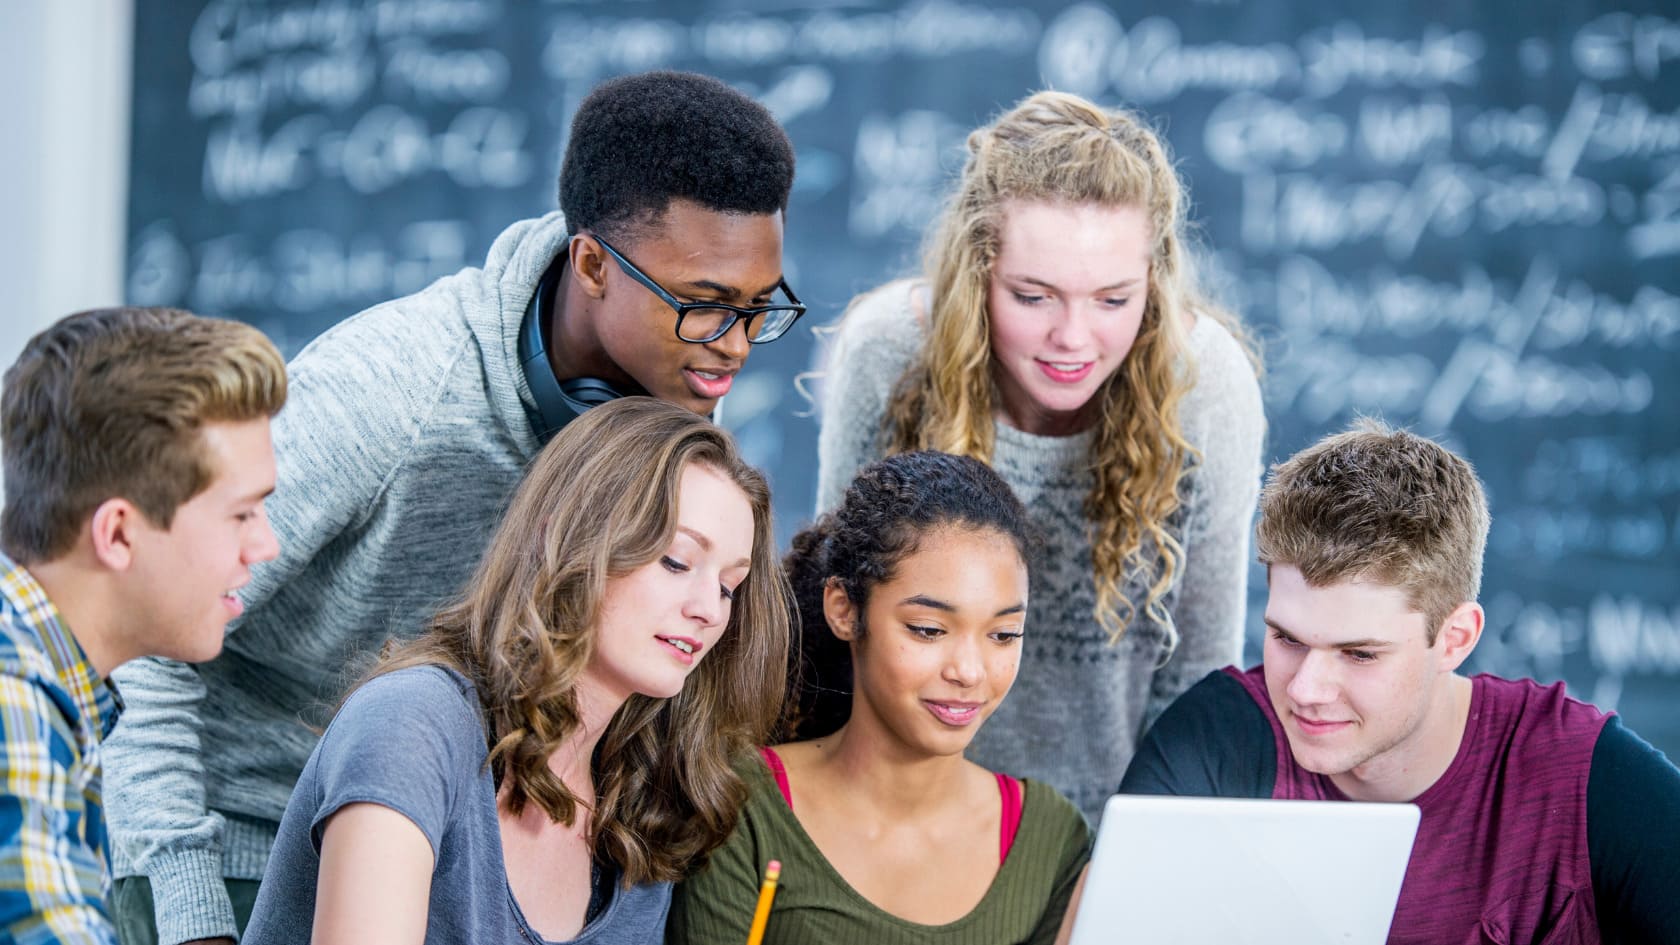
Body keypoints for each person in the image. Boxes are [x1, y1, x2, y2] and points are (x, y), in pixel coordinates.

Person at [104, 70, 802, 945]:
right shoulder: (395, 389)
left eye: (755, 308)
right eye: (703, 307)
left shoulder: (678, 387)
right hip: (242, 844)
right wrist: (189, 911)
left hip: (469, 845)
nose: (734, 347)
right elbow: (141, 639)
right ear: (591, 263)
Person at [816, 90, 1264, 821]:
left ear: (1153, 283)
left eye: (1113, 300)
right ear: (978, 275)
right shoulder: (888, 351)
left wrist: (1133, 860)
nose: (1073, 339)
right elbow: (833, 631)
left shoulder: (1204, 384)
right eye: (1034, 296)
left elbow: (1194, 685)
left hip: (1113, 832)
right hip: (898, 822)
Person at [241, 397, 791, 945]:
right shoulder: (412, 723)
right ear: (563, 537)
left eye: (728, 587)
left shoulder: (642, 804)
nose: (710, 609)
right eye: (676, 561)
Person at [1119, 421, 1680, 943]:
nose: (1304, 689)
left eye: (1359, 654)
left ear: (1455, 638)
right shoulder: (1217, 737)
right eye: (1287, 639)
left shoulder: (1578, 774)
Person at [668, 451, 1090, 945]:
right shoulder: (739, 803)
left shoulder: (1048, 838)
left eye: (1004, 635)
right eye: (929, 630)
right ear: (845, 611)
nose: (969, 671)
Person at [1, 307, 285, 945]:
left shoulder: (57, 689)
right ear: (118, 533)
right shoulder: (15, 700)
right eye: (241, 515)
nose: (266, 546)